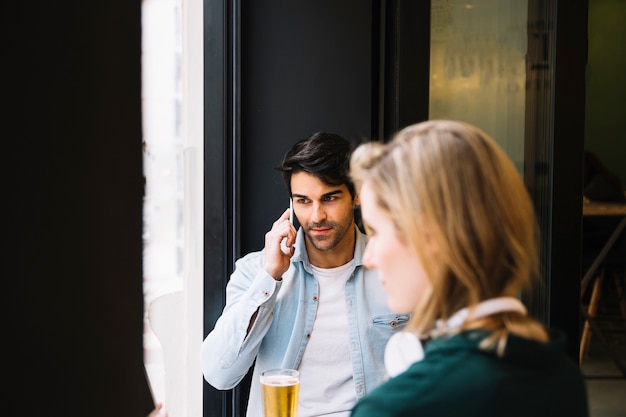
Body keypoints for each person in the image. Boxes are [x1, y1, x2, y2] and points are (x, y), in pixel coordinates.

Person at [348, 120, 590, 417]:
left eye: (374, 232)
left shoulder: (394, 407)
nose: (369, 257)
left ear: (429, 236)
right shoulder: (564, 377)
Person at [201, 132, 409, 417]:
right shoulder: (256, 271)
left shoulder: (395, 268)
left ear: (356, 194)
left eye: (330, 198)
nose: (316, 216)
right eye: (303, 201)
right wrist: (270, 277)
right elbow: (218, 375)